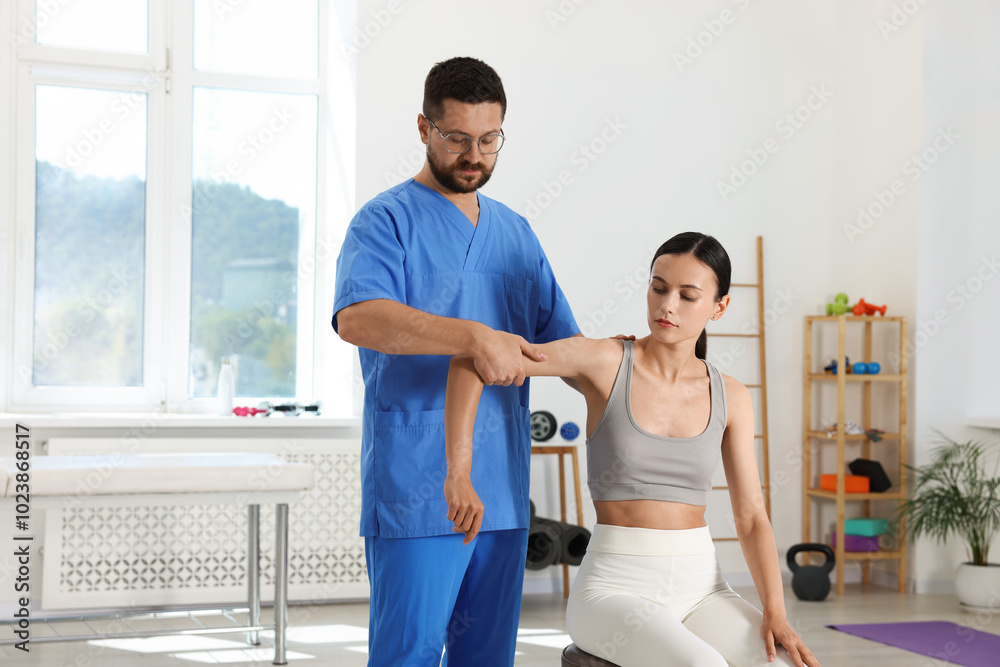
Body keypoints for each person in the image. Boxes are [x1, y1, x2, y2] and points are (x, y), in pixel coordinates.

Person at [445, 232, 821, 667]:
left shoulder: (731, 394)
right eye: (658, 287)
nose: (667, 306)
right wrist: (458, 471)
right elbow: (472, 361)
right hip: (613, 590)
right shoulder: (604, 362)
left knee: (790, 665)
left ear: (719, 306)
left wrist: (776, 612)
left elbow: (752, 516)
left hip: (704, 592)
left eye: (688, 295)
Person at [332, 57, 580, 667]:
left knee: (488, 656)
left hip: (501, 486)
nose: (475, 155)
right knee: (408, 654)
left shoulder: (516, 233)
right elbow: (358, 318)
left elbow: (560, 346)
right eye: (458, 139)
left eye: (490, 140)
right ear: (423, 128)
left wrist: (643, 362)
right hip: (419, 483)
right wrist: (470, 335)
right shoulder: (385, 221)